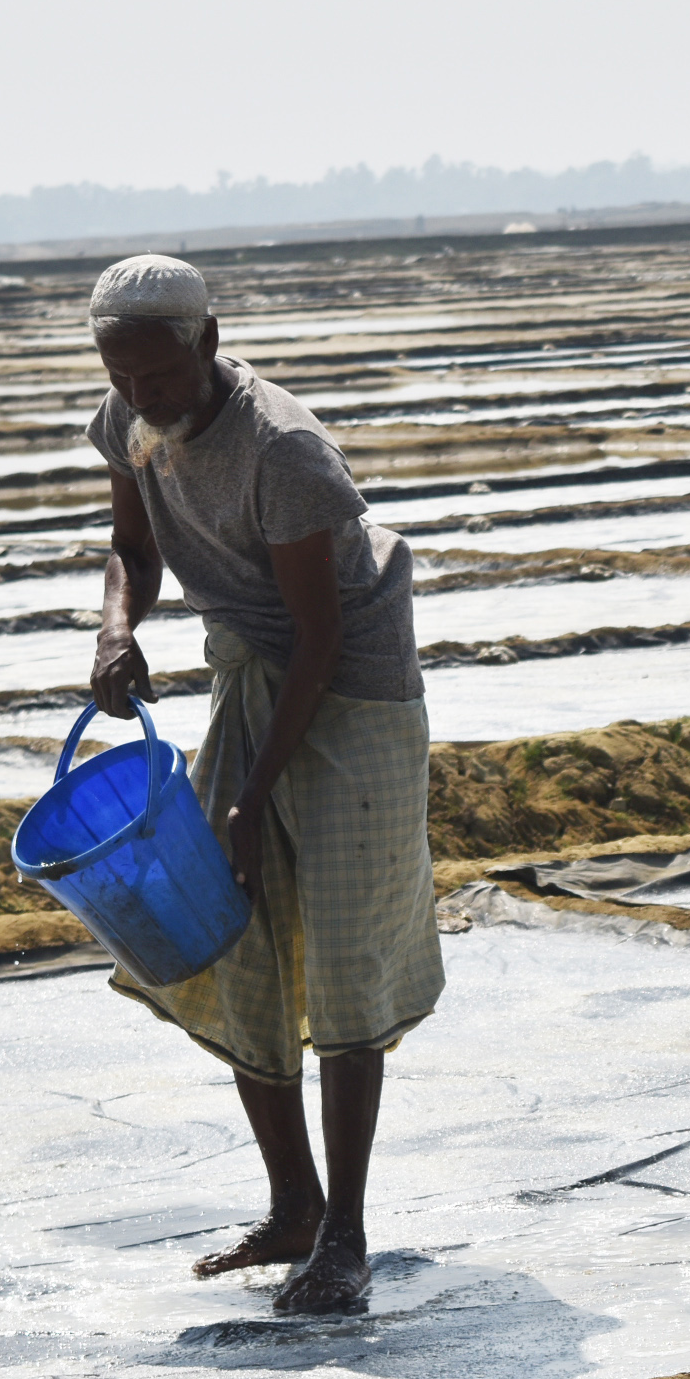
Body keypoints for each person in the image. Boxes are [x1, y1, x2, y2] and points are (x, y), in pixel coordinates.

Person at [84, 254, 439, 1316]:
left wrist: (249, 800)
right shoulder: (131, 416)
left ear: (207, 338)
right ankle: (292, 1202)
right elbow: (130, 548)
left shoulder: (283, 450)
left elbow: (321, 637)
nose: (142, 399)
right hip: (251, 676)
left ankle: (345, 1233)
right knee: (230, 934)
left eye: (158, 375)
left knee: (341, 958)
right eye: (123, 379)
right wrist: (114, 630)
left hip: (352, 692)